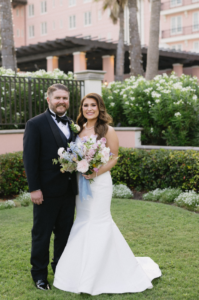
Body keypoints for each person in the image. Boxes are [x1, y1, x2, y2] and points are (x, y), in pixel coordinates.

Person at [53, 93, 162, 295]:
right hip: (81, 182)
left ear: (99, 107)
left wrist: (95, 171)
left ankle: (102, 274)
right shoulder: (77, 130)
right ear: (82, 109)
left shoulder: (107, 130)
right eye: (85, 105)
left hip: (100, 182)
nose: (89, 108)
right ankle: (77, 272)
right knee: (83, 221)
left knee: (99, 221)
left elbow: (114, 157)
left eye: (93, 105)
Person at [23, 84, 78, 291]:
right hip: (45, 192)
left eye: (65, 98)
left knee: (64, 234)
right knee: (42, 234)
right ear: (48, 100)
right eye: (57, 98)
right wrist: (34, 188)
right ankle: (39, 276)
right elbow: (30, 159)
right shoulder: (35, 124)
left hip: (68, 192)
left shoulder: (72, 124)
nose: (61, 101)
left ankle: (61, 271)